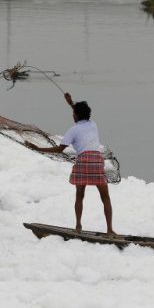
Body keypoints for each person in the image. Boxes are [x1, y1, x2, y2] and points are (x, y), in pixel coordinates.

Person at [25, 93, 116, 235]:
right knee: (105, 198)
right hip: (97, 161)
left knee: (80, 196)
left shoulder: (73, 130)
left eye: (74, 114)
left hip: (83, 161)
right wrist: (71, 103)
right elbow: (81, 112)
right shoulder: (93, 124)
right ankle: (110, 229)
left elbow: (60, 149)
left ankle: (78, 227)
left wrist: (38, 148)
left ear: (77, 115)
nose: (72, 116)